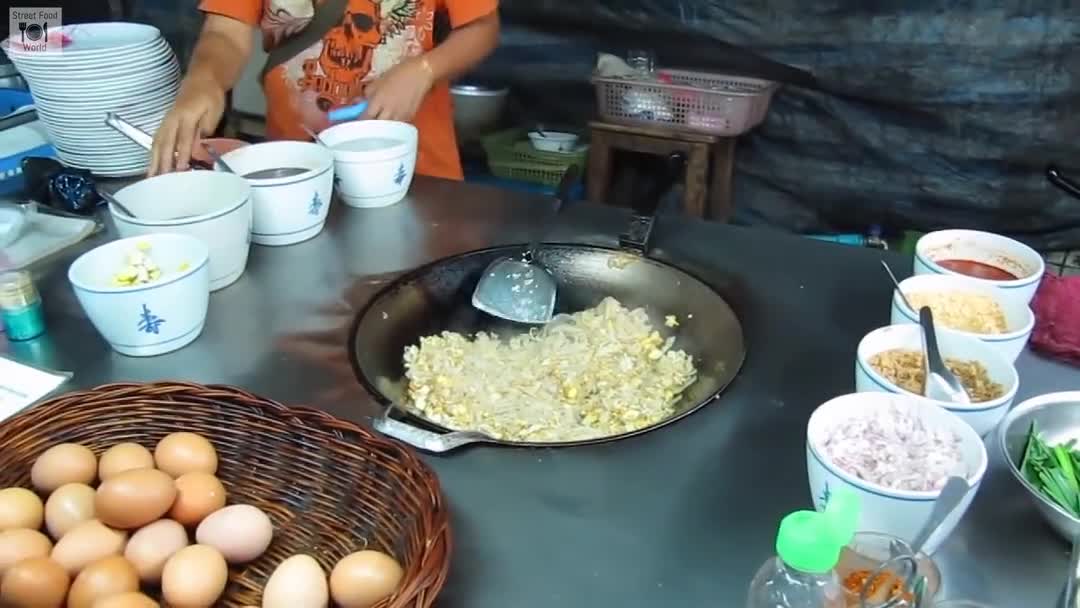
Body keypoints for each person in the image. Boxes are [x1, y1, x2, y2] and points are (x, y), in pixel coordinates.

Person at [150, 0, 500, 179]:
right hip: (298, 172)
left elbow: (482, 27)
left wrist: (425, 70)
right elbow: (225, 32)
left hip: (418, 175)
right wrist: (203, 81)